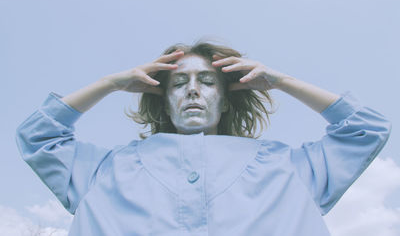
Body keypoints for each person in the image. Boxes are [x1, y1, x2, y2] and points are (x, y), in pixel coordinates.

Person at [15, 40, 391, 236]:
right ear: (163, 103)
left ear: (226, 102)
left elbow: (365, 130)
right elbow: (38, 136)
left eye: (208, 81)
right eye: (179, 83)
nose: (193, 90)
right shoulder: (105, 170)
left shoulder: (286, 165)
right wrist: (109, 84)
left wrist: (282, 81)